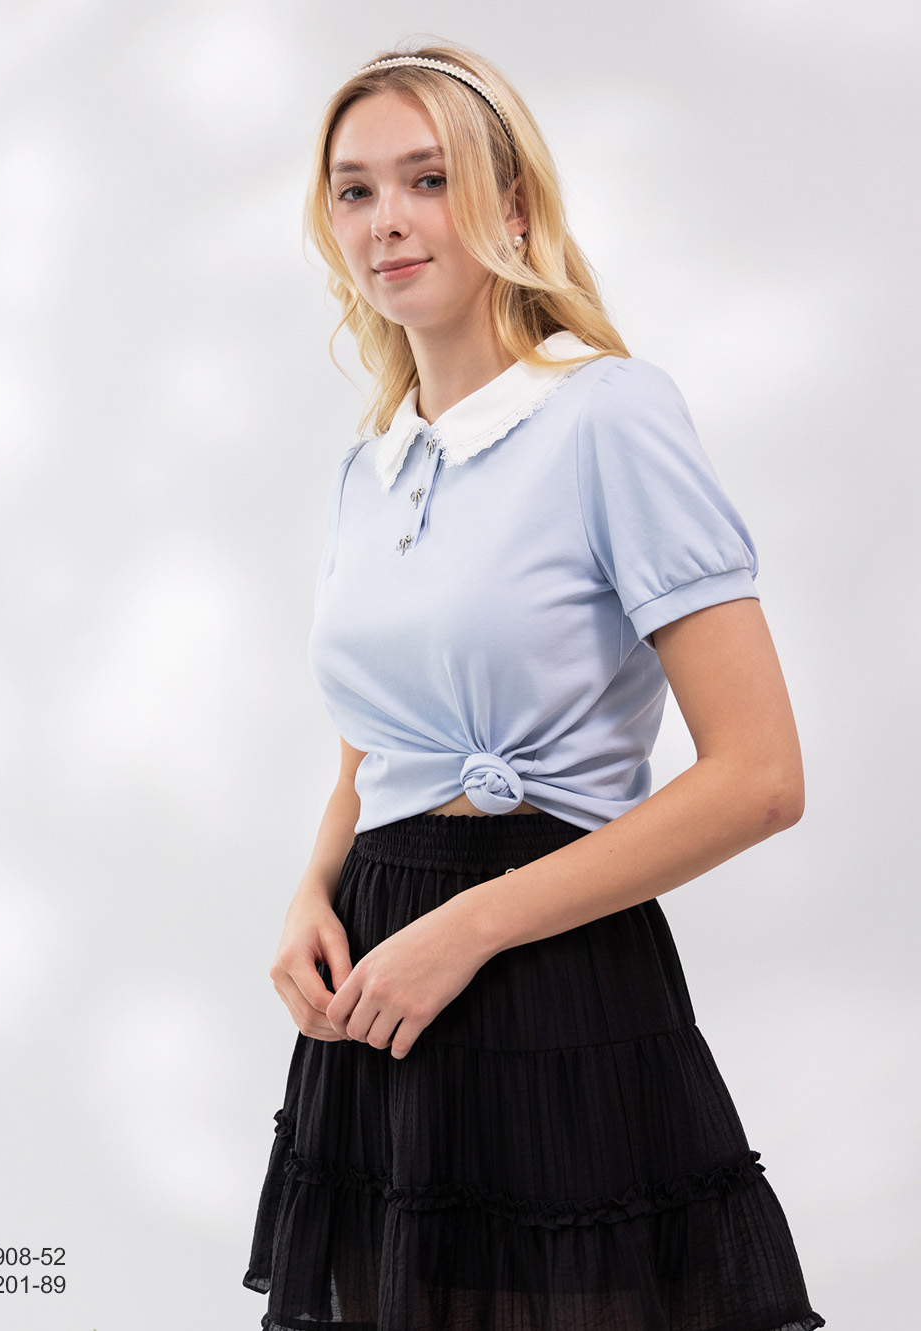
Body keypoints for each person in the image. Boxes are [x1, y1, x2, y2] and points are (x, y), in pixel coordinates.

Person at [243, 39, 825, 1331]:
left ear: (513, 207)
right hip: (377, 975)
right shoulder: (369, 465)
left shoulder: (610, 415)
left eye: (428, 180)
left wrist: (471, 928)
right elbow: (373, 742)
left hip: (547, 968)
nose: (387, 222)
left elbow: (762, 778)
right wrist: (309, 890)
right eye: (354, 191)